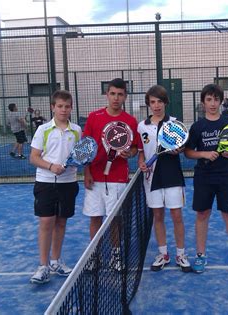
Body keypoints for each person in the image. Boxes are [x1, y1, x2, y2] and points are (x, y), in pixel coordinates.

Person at [184, 83, 228, 274]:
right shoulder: (197, 127)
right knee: (202, 215)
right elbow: (189, 152)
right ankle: (200, 256)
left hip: (226, 176)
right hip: (203, 177)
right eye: (209, 99)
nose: (213, 103)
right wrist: (204, 155)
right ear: (203, 102)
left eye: (216, 99)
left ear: (221, 101)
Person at [28, 90, 82, 284]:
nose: (63, 110)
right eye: (60, 106)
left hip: (68, 183)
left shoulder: (76, 130)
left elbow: (78, 156)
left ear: (71, 108)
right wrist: (51, 166)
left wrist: (74, 164)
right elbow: (33, 157)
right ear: (53, 107)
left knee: (61, 222)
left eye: (67, 106)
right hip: (45, 183)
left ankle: (55, 262)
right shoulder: (43, 130)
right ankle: (42, 266)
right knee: (46, 222)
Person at [137, 85, 191, 272]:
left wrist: (179, 150)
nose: (156, 105)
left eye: (160, 101)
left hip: (172, 175)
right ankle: (163, 254)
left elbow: (182, 146)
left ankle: (181, 254)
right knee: (157, 215)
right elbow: (141, 153)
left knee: (176, 215)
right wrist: (142, 162)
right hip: (151, 179)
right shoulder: (142, 126)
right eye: (153, 102)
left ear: (165, 102)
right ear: (148, 104)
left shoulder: (174, 123)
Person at [82, 78, 139, 240]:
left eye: (120, 94)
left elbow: (134, 147)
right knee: (95, 218)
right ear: (107, 94)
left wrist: (130, 153)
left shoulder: (130, 121)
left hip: (118, 178)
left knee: (115, 219)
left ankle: (115, 255)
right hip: (95, 177)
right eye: (113, 94)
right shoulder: (94, 117)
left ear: (125, 97)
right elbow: (86, 148)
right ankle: (95, 255)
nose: (116, 98)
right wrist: (87, 173)